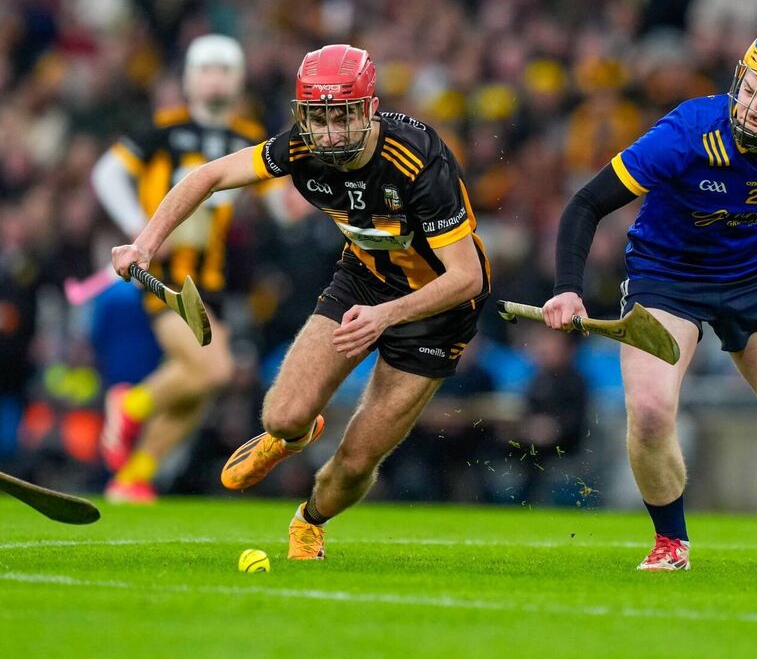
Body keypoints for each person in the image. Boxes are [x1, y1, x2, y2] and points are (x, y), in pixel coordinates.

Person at [111, 44, 490, 559]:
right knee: (283, 417)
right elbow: (206, 177)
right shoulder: (302, 148)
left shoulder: (417, 157)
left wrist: (385, 317)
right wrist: (145, 243)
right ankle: (293, 432)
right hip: (363, 281)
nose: (330, 133)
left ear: (370, 109)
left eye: (343, 117)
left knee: (357, 459)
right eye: (318, 118)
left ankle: (309, 522)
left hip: (437, 307)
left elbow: (466, 276)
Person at [542, 25, 757, 571]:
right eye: (750, 89)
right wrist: (567, 289)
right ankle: (671, 540)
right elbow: (585, 204)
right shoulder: (686, 133)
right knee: (649, 411)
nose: (754, 107)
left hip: (751, 281)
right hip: (666, 279)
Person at [94, 35, 262, 504]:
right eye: (207, 68)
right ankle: (130, 404)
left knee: (200, 387)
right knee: (215, 369)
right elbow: (106, 174)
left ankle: (134, 477)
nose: (215, 78)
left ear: (239, 78)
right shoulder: (162, 130)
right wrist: (137, 226)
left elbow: (282, 206)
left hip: (216, 282)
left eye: (224, 69)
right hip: (163, 275)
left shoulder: (247, 137)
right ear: (189, 77)